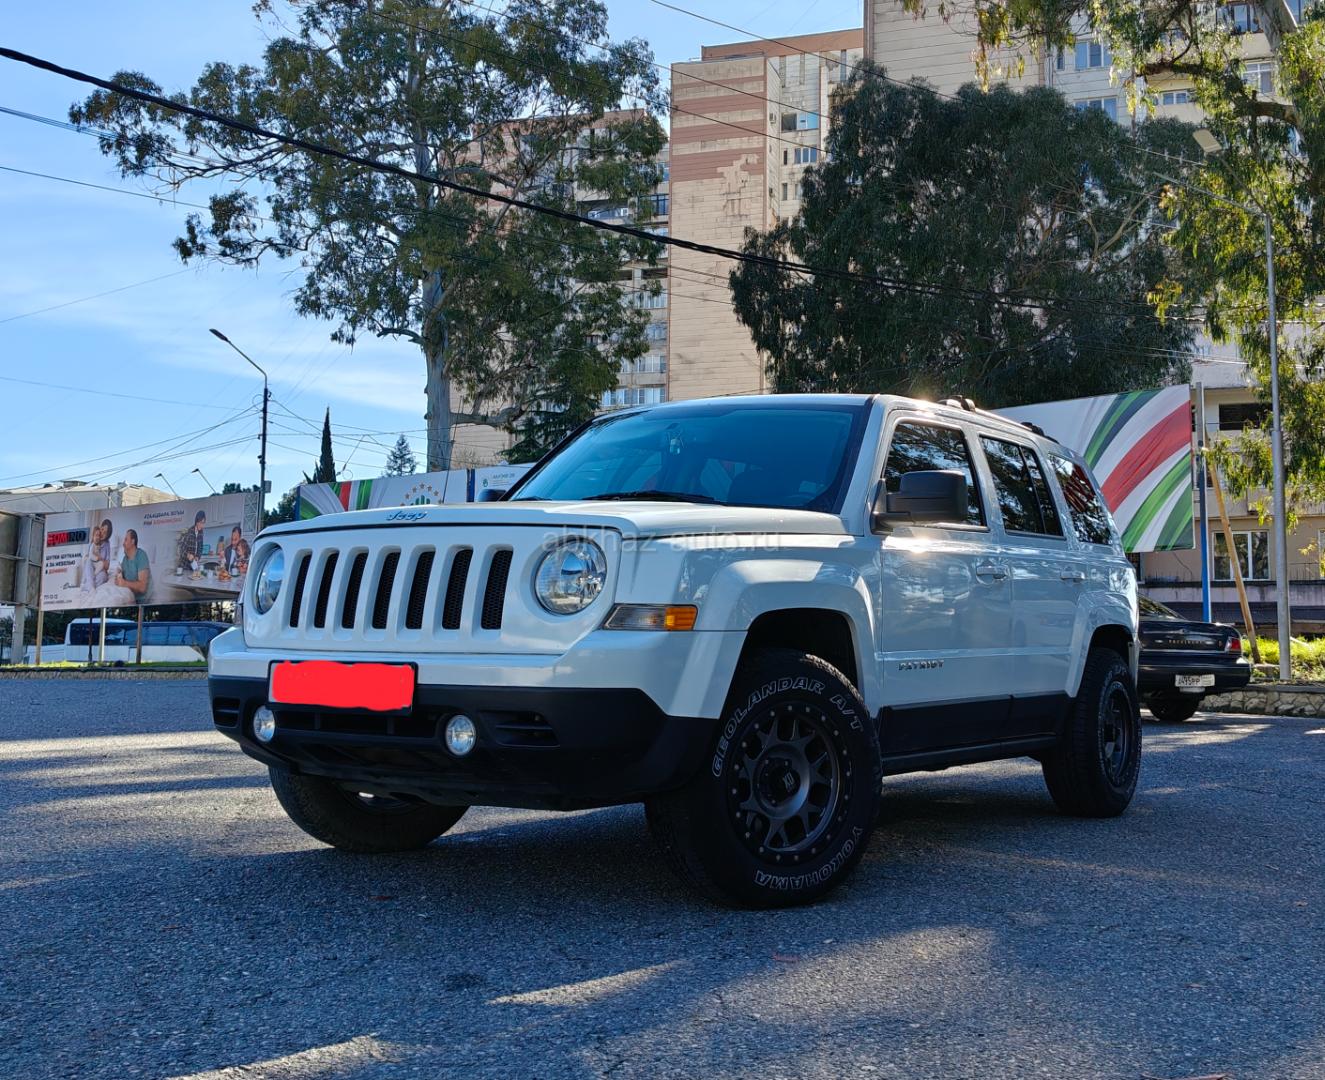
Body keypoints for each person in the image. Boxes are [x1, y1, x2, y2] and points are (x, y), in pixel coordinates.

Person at [115, 528, 151, 603]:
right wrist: (118, 576)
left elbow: (143, 587)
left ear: (132, 541)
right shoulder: (125, 560)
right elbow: (122, 579)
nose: (123, 543)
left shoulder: (141, 555)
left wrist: (124, 583)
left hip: (144, 603)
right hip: (130, 599)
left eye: (126, 540)